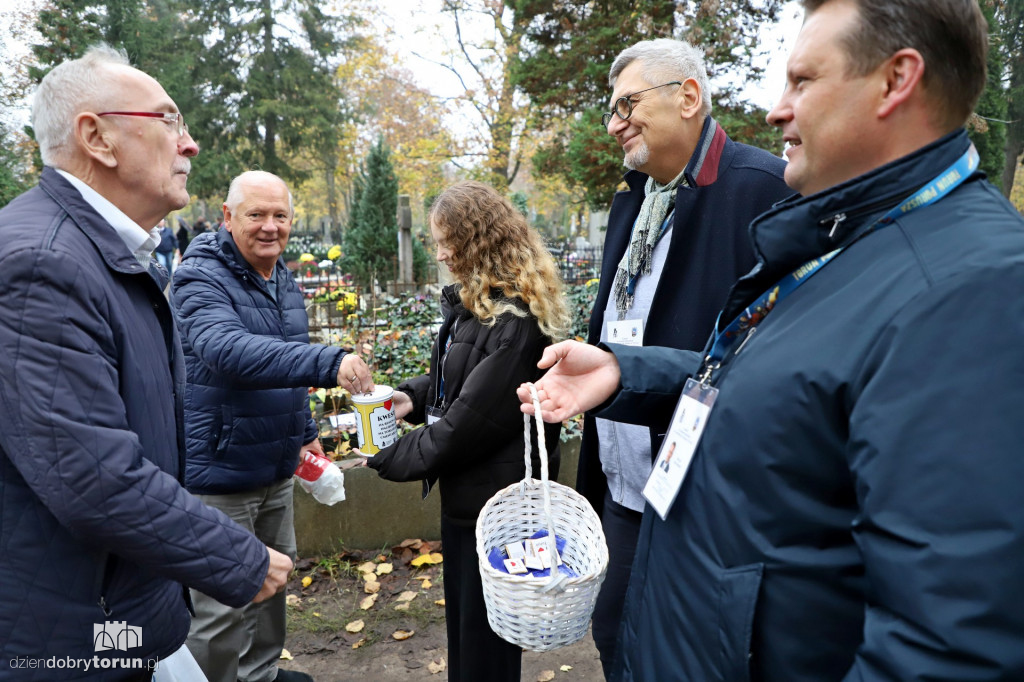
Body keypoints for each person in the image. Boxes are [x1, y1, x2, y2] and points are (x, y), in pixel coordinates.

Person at [519, 0, 1024, 679]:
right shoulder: (848, 238)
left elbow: (950, 641)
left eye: (803, 80)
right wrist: (626, 371)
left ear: (896, 80)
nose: (777, 110)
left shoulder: (972, 289)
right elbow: (783, 388)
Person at [0, 44, 292, 680]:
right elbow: (94, 478)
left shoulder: (102, 252)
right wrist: (239, 558)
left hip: (123, 610)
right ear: (97, 137)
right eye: (169, 120)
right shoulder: (42, 265)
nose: (188, 144)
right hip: (72, 639)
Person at [579, 38, 790, 677]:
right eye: (612, 110)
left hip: (701, 500)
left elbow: (768, 353)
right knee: (614, 631)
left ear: (689, 97)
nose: (614, 124)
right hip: (623, 486)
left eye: (627, 105)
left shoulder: (763, 191)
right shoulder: (635, 201)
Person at [363, 181, 571, 682]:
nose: (437, 252)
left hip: (496, 513)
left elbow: (465, 425)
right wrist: (411, 396)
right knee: (468, 633)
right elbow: (459, 380)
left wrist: (385, 455)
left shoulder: (514, 321)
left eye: (444, 241)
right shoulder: (480, 307)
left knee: (486, 649)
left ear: (475, 240)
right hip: (470, 503)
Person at [170, 170, 371, 682]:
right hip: (221, 471)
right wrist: (329, 361)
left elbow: (284, 373)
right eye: (256, 214)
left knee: (273, 583)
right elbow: (227, 352)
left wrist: (304, 432)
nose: (269, 227)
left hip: (275, 467)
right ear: (228, 217)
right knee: (221, 605)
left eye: (279, 215)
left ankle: (259, 676)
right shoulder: (200, 276)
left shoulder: (280, 277)